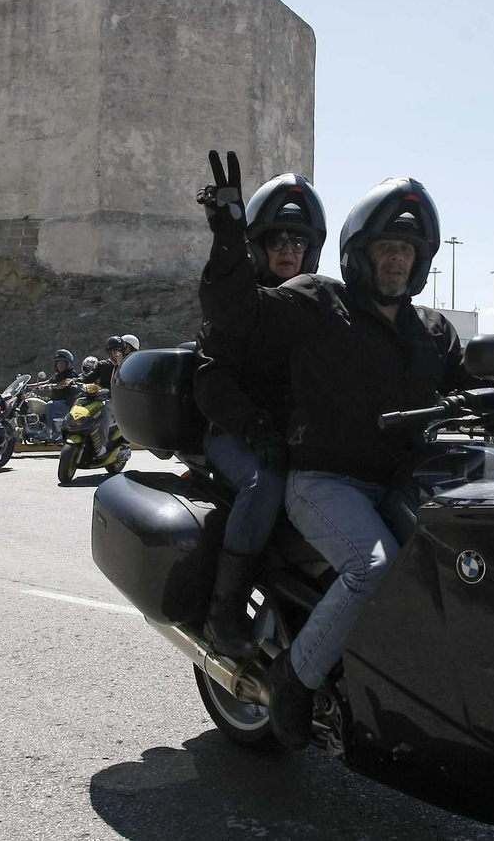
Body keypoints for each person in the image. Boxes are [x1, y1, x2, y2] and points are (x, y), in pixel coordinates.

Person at [197, 150, 469, 748]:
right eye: (386, 249)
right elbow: (238, 314)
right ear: (360, 253)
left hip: (400, 481)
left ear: (421, 260)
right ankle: (294, 681)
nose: (397, 259)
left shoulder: (434, 333)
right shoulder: (320, 303)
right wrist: (226, 238)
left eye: (407, 250)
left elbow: (476, 381)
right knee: (374, 570)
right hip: (326, 479)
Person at [194, 172, 326, 657]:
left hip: (299, 436)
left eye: (297, 239)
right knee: (264, 481)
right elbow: (211, 382)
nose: (287, 249)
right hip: (236, 434)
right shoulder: (237, 305)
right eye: (275, 240)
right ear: (257, 247)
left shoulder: (320, 305)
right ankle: (224, 613)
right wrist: (255, 427)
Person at [42, 349, 80, 435]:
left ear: (68, 364)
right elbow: (46, 382)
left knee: (50, 405)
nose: (60, 365)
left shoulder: (71, 374)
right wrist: (27, 385)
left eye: (63, 363)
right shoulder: (57, 375)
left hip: (67, 404)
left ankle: (48, 432)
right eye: (58, 363)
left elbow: (62, 384)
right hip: (58, 403)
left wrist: (51, 386)